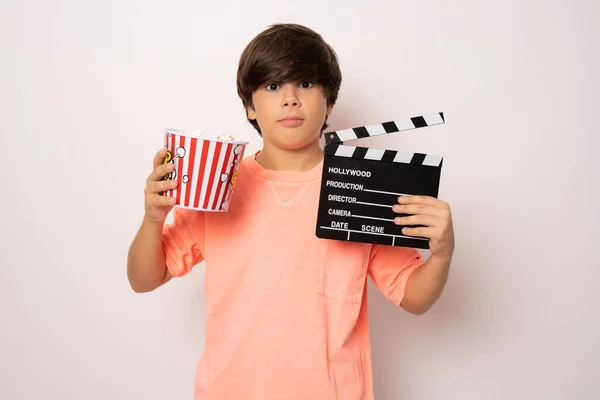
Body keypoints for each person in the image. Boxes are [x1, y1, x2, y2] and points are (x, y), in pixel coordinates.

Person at [127, 23, 455, 400]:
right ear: (249, 105)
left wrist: (443, 252)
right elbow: (145, 278)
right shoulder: (221, 185)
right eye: (271, 86)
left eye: (305, 84)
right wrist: (153, 219)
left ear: (330, 102)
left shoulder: (362, 187)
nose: (289, 99)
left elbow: (414, 297)